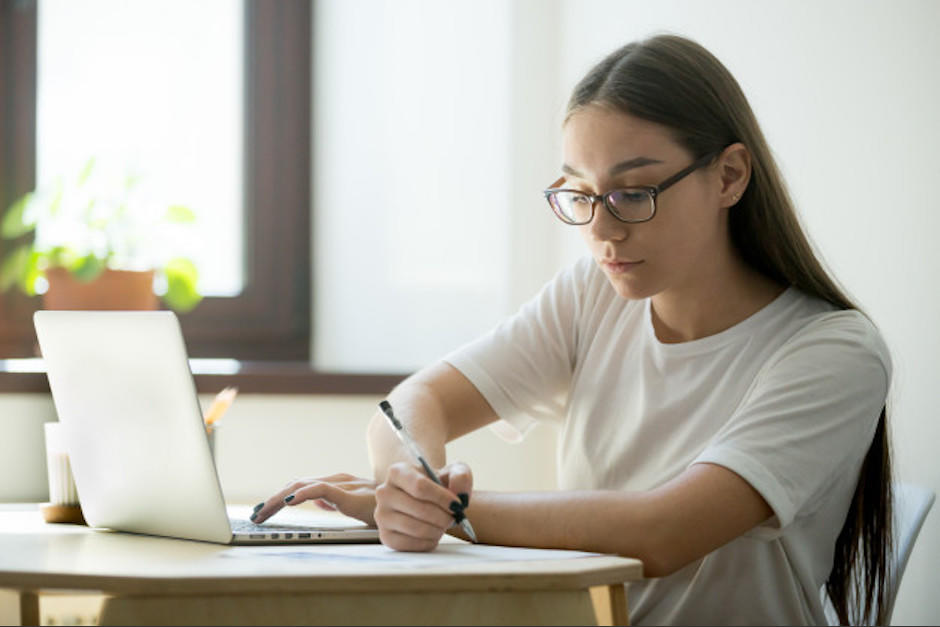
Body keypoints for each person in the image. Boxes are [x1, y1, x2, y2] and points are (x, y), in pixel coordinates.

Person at [253, 34, 893, 626]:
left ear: (729, 176)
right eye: (581, 195)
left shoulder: (832, 351)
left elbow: (663, 532)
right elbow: (414, 405)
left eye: (634, 194)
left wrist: (449, 515)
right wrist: (409, 485)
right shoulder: (595, 293)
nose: (603, 232)